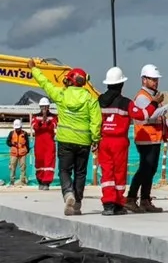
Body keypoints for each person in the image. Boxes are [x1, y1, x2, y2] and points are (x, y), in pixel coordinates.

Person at [28, 59, 101, 215]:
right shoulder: (91, 99)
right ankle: (78, 202)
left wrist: (34, 69)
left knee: (64, 171)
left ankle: (68, 194)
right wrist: (95, 139)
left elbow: (45, 84)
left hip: (65, 140)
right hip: (84, 142)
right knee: (80, 173)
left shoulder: (62, 94)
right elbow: (96, 120)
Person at [126, 64, 168, 213]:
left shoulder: (152, 96)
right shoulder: (142, 97)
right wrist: (167, 106)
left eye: (156, 79)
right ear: (144, 79)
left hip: (153, 138)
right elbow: (150, 116)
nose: (155, 82)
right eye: (152, 79)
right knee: (145, 169)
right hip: (146, 138)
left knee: (150, 170)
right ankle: (132, 198)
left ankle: (145, 199)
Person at [97, 66, 143, 216]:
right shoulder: (125, 103)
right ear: (121, 84)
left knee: (107, 173)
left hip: (103, 141)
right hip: (119, 142)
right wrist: (154, 104)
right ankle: (117, 203)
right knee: (119, 173)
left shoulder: (100, 101)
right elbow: (140, 115)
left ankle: (108, 204)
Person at [31, 98, 57, 190]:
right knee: (39, 162)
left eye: (45, 106)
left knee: (49, 162)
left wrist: (47, 120)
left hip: (49, 144)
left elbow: (53, 127)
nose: (44, 108)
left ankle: (46, 182)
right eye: (42, 107)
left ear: (48, 106)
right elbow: (35, 127)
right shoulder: (35, 116)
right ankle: (40, 180)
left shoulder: (53, 117)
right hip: (39, 144)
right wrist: (42, 121)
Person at [6, 119, 29, 186]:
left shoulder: (24, 133)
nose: (17, 129)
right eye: (16, 128)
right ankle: (12, 181)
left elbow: (27, 143)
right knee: (12, 167)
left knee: (23, 167)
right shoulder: (11, 133)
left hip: (22, 153)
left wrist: (27, 150)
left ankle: (23, 181)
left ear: (21, 127)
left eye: (18, 128)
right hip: (14, 154)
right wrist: (12, 144)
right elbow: (7, 142)